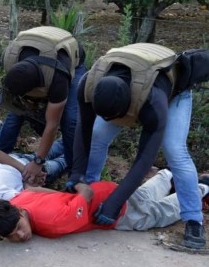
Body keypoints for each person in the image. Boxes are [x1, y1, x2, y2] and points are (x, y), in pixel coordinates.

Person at [68, 42, 206, 249]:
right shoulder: (88, 84)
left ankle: (194, 220)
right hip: (129, 72)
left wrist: (116, 203)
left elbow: (144, 159)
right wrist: (76, 175)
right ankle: (90, 186)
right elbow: (83, 130)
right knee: (97, 134)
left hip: (170, 87)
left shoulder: (154, 104)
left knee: (175, 151)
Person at [0, 170, 209, 242]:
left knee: (154, 214)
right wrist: (66, 198)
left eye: (19, 227)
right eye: (12, 236)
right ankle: (165, 175)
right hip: (110, 191)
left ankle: (201, 187)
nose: (21, 235)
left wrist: (77, 190)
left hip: (114, 208)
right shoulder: (13, 202)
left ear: (20, 213)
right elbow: (35, 190)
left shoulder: (54, 223)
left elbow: (87, 192)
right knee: (141, 198)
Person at [0, 26, 85, 185]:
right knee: (15, 114)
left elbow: (52, 124)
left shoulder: (58, 78)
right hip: (36, 45)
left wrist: (38, 161)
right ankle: (1, 155)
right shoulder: (9, 59)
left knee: (70, 121)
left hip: (72, 62)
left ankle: (75, 176)